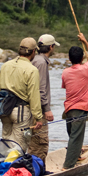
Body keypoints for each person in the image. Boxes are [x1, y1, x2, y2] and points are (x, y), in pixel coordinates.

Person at [0, 37, 44, 153]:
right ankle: (13, 170)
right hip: (21, 111)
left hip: (4, 110)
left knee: (5, 143)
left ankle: (2, 168)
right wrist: (38, 117)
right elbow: (34, 94)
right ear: (33, 52)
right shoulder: (32, 69)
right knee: (19, 146)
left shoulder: (5, 65)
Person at [61, 33, 88, 169]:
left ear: (69, 58)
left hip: (69, 109)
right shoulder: (85, 69)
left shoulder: (65, 72)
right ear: (82, 58)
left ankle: (75, 155)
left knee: (72, 135)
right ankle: (68, 165)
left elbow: (71, 87)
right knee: (75, 137)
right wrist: (85, 40)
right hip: (80, 109)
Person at [29, 33, 60, 161]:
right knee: (40, 141)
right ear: (51, 47)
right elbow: (41, 89)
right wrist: (47, 109)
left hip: (31, 107)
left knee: (32, 141)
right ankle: (37, 170)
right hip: (39, 109)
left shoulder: (35, 59)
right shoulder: (41, 63)